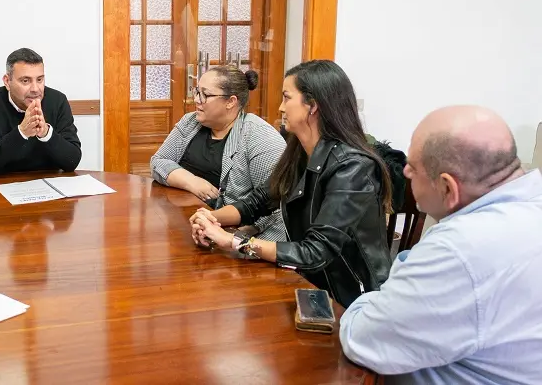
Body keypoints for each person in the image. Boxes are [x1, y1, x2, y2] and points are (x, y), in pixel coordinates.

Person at [340, 106, 542, 384]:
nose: (406, 172)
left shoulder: (460, 250)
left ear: (447, 187)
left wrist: (377, 295)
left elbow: (363, 337)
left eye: (413, 166)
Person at [191, 60, 393, 308]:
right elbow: (258, 201)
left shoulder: (353, 167)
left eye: (287, 98)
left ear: (313, 106)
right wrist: (211, 219)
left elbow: (316, 252)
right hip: (310, 286)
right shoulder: (300, 151)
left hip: (354, 300)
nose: (280, 106)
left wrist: (234, 242)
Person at [151, 66, 287, 241]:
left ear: (230, 101)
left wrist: (228, 236)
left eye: (205, 95)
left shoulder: (261, 138)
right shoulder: (190, 122)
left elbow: (274, 206)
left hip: (238, 238)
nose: (196, 100)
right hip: (188, 224)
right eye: (197, 91)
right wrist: (192, 182)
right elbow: (158, 162)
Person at [0, 48, 82, 177]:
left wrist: (46, 133)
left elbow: (72, 161)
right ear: (7, 81)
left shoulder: (57, 101)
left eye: (39, 80)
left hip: (49, 185)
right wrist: (21, 133)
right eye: (25, 81)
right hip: (2, 185)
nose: (35, 89)